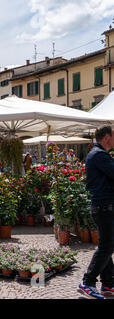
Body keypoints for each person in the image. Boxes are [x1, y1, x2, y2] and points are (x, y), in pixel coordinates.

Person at [78, 126, 114, 299]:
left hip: (102, 206)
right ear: (107, 137)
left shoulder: (97, 153)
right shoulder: (99, 154)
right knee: (106, 247)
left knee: (108, 245)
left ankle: (108, 284)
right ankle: (88, 282)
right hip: (103, 207)